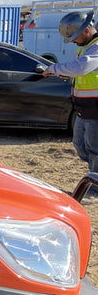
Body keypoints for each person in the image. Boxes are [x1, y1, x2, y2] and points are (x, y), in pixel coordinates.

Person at [43, 10, 98, 173]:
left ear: (86, 31)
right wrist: (64, 73)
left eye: (74, 37)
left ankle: (95, 185)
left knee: (95, 150)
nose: (72, 41)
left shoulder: (96, 48)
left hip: (95, 110)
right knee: (80, 145)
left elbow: (80, 68)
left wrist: (54, 68)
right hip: (84, 108)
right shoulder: (85, 47)